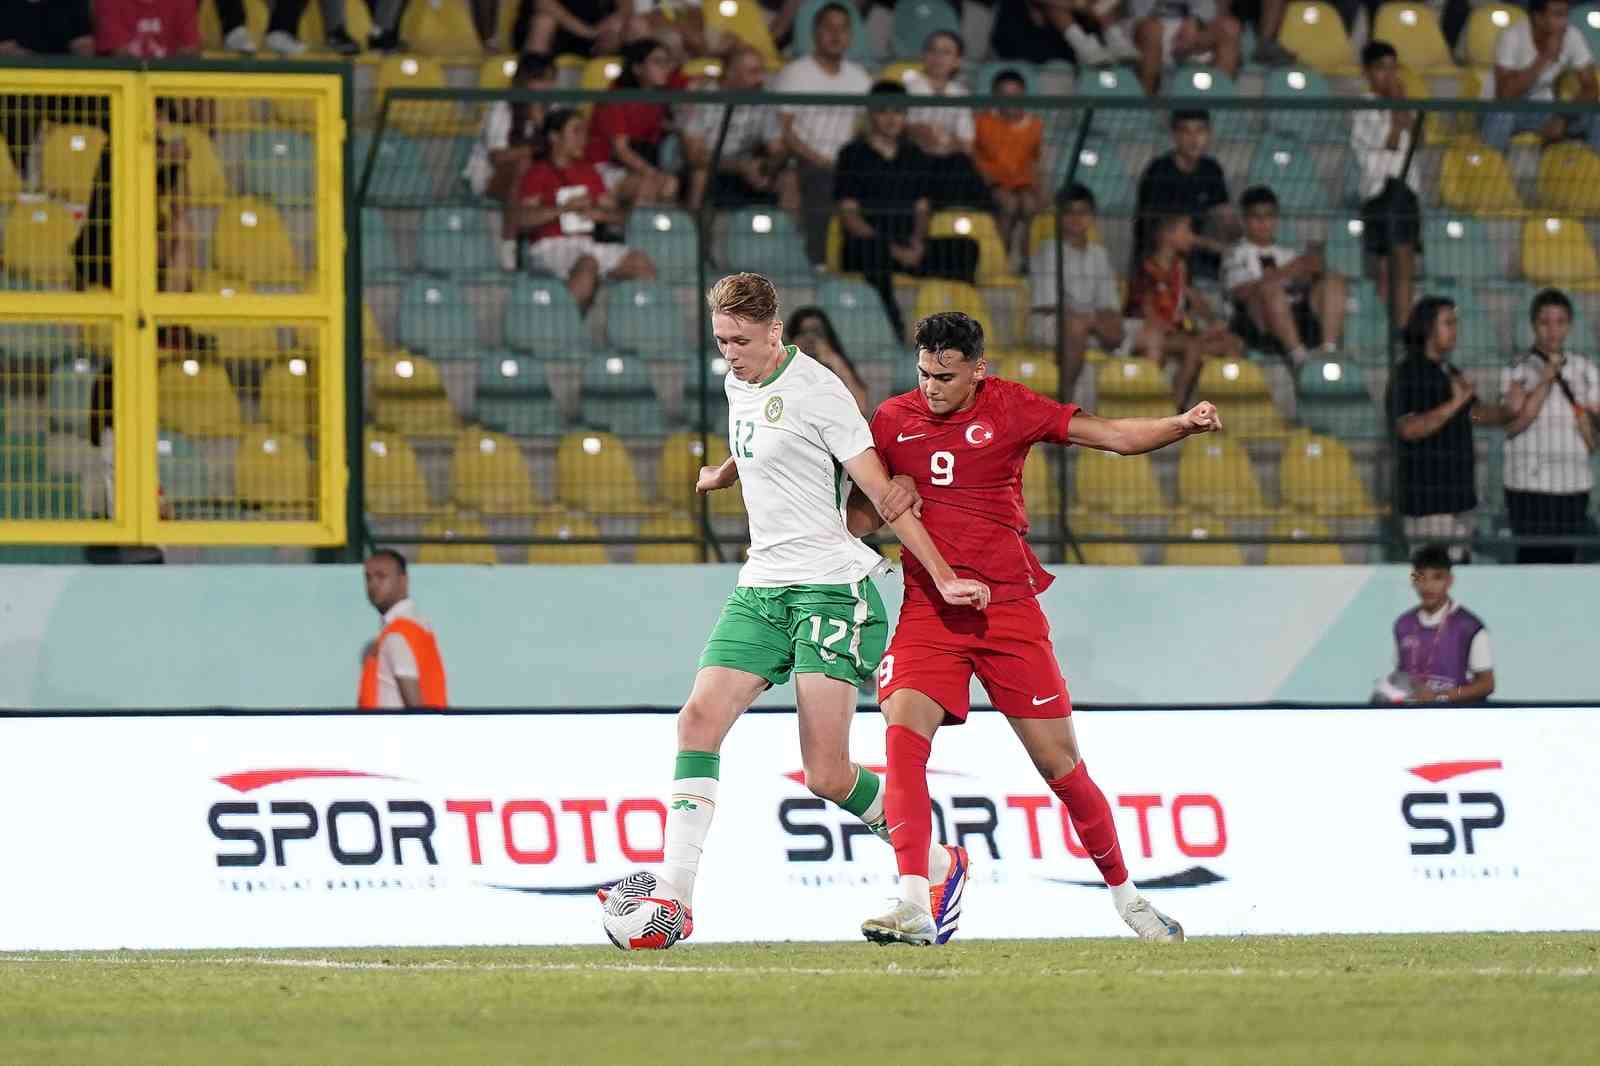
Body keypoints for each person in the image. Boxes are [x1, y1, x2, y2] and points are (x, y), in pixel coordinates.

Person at [599, 273, 991, 947]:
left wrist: (944, 575)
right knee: (696, 721)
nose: (731, 354)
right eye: (722, 340)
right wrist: (727, 471)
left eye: (743, 341)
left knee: (827, 773)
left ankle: (936, 863)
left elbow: (883, 494)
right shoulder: (737, 380)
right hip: (763, 586)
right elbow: (756, 435)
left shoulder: (819, 391)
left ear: (774, 331)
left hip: (831, 589)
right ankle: (676, 900)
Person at [845, 310, 1221, 945]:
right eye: (923, 372)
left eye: (945, 375)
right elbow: (858, 519)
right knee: (902, 739)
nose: (931, 386)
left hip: (1007, 611)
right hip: (929, 609)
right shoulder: (890, 420)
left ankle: (1130, 901)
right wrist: (890, 495)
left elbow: (1116, 437)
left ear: (977, 372)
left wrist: (1181, 424)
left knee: (1062, 767)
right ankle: (914, 897)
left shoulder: (1011, 407)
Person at [835, 82, 980, 341]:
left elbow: (922, 208)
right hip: (870, 246)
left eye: (898, 111)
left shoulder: (915, 155)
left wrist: (917, 243)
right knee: (872, 253)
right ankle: (893, 330)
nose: (891, 118)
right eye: (884, 111)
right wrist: (892, 249)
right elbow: (850, 217)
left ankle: (959, 331)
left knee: (966, 248)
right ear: (871, 114)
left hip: (909, 246)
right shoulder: (851, 155)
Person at [518, 108, 657, 312]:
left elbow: (619, 216)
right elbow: (523, 219)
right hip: (550, 246)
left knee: (640, 263)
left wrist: (598, 214)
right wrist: (563, 209)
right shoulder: (537, 173)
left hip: (587, 244)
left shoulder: (588, 171)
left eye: (584, 132)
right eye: (575, 132)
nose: (583, 139)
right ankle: (564, 328)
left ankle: (640, 331)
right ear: (554, 137)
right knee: (588, 264)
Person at [1500, 288, 1600, 564]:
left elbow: (1595, 430)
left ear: (1570, 326)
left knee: (1564, 561)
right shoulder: (1516, 368)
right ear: (1533, 325)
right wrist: (1545, 379)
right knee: (1530, 560)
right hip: (1526, 485)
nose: (1552, 330)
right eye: (1545, 322)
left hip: (1572, 483)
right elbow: (1513, 424)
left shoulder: (1586, 369)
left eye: (1560, 322)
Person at [772, 2, 873, 263]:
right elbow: (784, 129)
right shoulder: (794, 74)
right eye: (828, 27)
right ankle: (817, 262)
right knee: (823, 181)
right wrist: (819, 159)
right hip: (807, 162)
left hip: (849, 164)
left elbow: (866, 127)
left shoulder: (860, 78)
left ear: (851, 36)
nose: (836, 34)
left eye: (842, 28)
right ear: (814, 32)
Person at [1387, 296, 1478, 561]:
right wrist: (1456, 402)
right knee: (1432, 581)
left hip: (1460, 500)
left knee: (1461, 576)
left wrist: (1508, 410)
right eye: (1448, 323)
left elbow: (1474, 416)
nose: (1455, 329)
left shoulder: (1451, 371)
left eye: (1455, 323)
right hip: (1428, 504)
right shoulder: (1408, 374)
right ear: (1428, 329)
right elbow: (1409, 428)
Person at [1223, 185, 1346, 370]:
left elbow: (1305, 282)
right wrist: (1286, 272)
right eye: (1257, 217)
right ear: (1244, 220)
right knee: (1270, 289)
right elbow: (1240, 293)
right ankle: (1299, 358)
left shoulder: (1287, 253)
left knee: (1333, 281)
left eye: (1269, 216)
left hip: (1296, 315)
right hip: (1257, 323)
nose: (1264, 223)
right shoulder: (1235, 253)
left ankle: (1328, 350)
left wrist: (1311, 271)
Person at [1127, 214, 1242, 409]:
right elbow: (1149, 316)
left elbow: (1194, 299)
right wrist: (1196, 332)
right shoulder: (1146, 270)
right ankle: (1175, 408)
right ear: (1167, 235)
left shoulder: (1180, 268)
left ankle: (1224, 409)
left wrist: (1213, 324)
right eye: (1187, 231)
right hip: (1155, 335)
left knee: (1231, 343)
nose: (1192, 237)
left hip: (1181, 335)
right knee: (1193, 347)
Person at [1029, 183, 1124, 400]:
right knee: (1076, 325)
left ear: (1092, 217)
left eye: (1082, 212)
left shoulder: (1099, 254)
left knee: (1127, 329)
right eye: (1069, 212)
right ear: (1059, 217)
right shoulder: (1049, 251)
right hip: (1049, 321)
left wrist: (1102, 321)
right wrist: (1087, 320)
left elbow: (1109, 304)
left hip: (1089, 320)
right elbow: (1047, 304)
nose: (1076, 218)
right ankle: (1065, 398)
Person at [1352, 40, 1422, 327]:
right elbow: (1391, 142)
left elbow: (1421, 138)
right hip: (1381, 189)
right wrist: (1396, 108)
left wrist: (1401, 106)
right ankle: (1399, 326)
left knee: (1396, 263)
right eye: (1382, 69)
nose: (1389, 76)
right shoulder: (1364, 109)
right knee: (1393, 263)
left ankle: (1396, 327)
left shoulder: (1403, 105)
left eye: (1394, 69)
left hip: (1406, 189)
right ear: (1367, 72)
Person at [466, 53, 556, 272]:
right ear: (523, 81)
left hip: (539, 176)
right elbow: (498, 157)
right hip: (492, 177)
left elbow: (560, 151)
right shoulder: (501, 108)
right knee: (523, 165)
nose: (546, 86)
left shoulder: (553, 110)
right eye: (540, 80)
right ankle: (508, 244)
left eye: (550, 80)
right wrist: (536, 148)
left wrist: (539, 122)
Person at [1377, 544, 1495, 704]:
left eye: (1437, 577)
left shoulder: (1469, 626)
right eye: (1421, 578)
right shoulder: (1403, 624)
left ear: (1450, 580)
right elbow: (1401, 676)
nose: (1428, 586)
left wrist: (1442, 696)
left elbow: (1486, 685)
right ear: (1413, 580)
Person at [682, 45, 794, 211]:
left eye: (761, 71)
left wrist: (767, 167)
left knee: (789, 176)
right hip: (711, 166)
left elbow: (777, 149)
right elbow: (694, 155)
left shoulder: (763, 99)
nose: (760, 79)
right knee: (700, 174)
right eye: (753, 72)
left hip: (747, 168)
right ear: (731, 73)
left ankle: (786, 233)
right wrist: (740, 166)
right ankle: (696, 232)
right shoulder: (701, 98)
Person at [1482, 0, 1600, 155]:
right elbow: (1505, 95)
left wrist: (1563, 116)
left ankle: (1592, 173)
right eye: (1558, 15)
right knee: (1503, 116)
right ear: (1538, 17)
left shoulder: (1571, 35)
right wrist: (1545, 57)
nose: (1565, 22)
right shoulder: (1512, 36)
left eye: (1566, 14)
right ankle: (1490, 172)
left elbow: (1591, 87)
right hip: (1499, 109)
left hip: (1545, 110)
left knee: (1596, 116)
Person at [1133, 110, 1234, 284]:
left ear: (1209, 134)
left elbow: (1223, 214)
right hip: (1164, 255)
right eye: (1186, 131)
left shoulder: (1211, 169)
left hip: (1202, 254)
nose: (1194, 139)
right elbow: (1164, 232)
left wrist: (1240, 242)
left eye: (1200, 131)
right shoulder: (1159, 171)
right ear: (1175, 136)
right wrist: (1213, 246)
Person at [586, 36, 680, 206]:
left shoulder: (657, 98)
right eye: (657, 62)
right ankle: (629, 232)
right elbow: (620, 150)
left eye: (667, 63)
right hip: (603, 166)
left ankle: (660, 231)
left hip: (634, 167)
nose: (665, 68)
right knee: (646, 186)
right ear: (637, 68)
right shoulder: (616, 98)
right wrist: (651, 173)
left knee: (670, 183)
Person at [903, 30, 990, 210]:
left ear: (957, 61)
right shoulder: (908, 88)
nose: (938, 57)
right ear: (924, 55)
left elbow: (966, 143)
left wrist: (944, 141)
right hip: (913, 162)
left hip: (948, 164)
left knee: (963, 167)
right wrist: (919, 131)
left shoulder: (961, 94)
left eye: (946, 52)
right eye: (933, 51)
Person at [358, 549, 449, 710]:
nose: (373, 585)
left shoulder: (397, 634)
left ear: (403, 580)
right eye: (368, 578)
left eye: (381, 576)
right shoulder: (418, 626)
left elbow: (415, 707)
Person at [973, 69, 1043, 257]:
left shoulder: (1035, 125)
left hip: (1021, 183)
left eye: (1015, 95)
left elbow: (1036, 163)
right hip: (991, 183)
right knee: (1009, 204)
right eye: (1004, 95)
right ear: (995, 97)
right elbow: (973, 158)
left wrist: (1040, 190)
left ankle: (1027, 261)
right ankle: (1001, 258)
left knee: (1029, 205)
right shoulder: (981, 122)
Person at [1127, 0, 1242, 96]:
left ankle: (1218, 105)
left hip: (1194, 26)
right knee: (1152, 32)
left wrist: (1195, 21)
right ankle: (1143, 106)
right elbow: (1140, 13)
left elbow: (1209, 8)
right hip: (1148, 24)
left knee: (1230, 29)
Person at [785, 306, 869, 414]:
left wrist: (833, 360)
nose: (810, 338)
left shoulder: (835, 366)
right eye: (803, 332)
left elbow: (861, 405)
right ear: (792, 338)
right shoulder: (782, 368)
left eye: (817, 332)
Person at [523, 0, 629, 57]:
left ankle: (604, 86)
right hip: (559, 30)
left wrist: (610, 22)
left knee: (618, 24)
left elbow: (626, 8)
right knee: (543, 22)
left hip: (595, 34)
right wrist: (587, 32)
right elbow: (542, 3)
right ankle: (532, 86)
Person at [95, 0, 200, 57]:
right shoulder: (109, 2)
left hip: (172, 90)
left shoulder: (184, 2)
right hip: (127, 90)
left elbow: (189, 51)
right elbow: (118, 55)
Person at [0, 0, 92, 56]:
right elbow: (5, 50)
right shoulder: (5, 4)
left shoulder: (72, 3)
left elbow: (84, 48)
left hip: (62, 80)